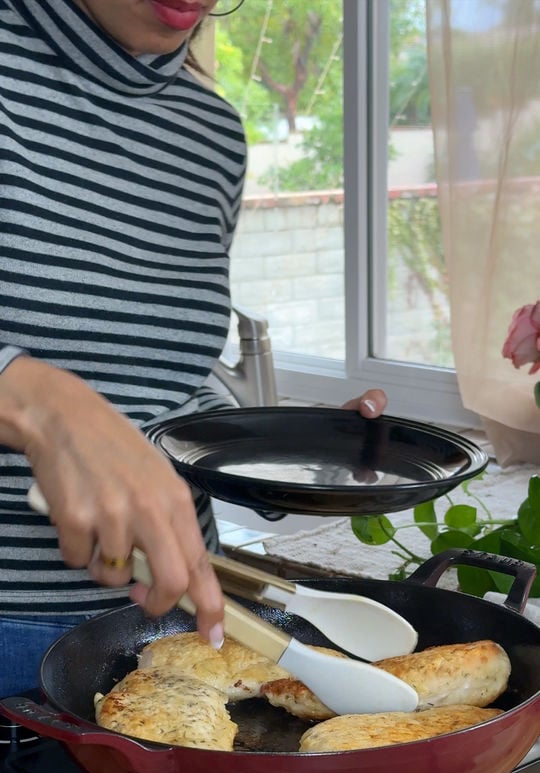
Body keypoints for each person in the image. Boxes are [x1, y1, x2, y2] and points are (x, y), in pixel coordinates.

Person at [0, 0, 386, 698]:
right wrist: (38, 401)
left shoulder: (210, 137)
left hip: (174, 625)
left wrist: (273, 446)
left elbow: (169, 375)